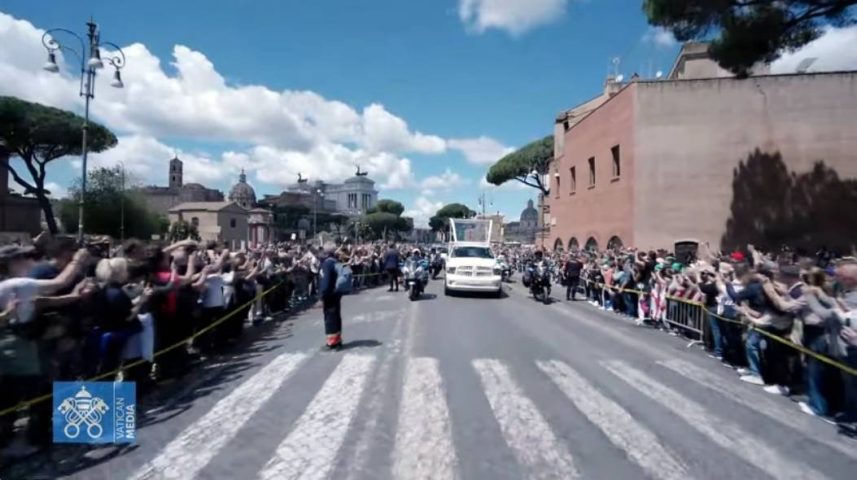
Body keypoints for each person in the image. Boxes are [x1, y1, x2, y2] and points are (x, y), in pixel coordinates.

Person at [319, 241, 343, 350]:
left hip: (329, 294)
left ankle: (332, 342)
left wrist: (322, 295)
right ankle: (338, 339)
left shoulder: (327, 264)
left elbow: (326, 281)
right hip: (336, 292)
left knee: (330, 318)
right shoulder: (335, 261)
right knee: (336, 316)